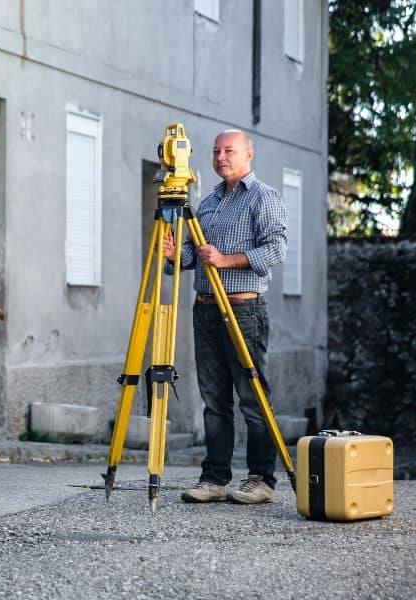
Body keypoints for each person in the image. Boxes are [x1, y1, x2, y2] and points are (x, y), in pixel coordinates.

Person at [162, 129, 287, 504]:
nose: (220, 158)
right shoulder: (209, 201)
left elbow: (277, 248)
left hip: (243, 309)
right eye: (216, 151)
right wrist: (174, 256)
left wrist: (226, 260)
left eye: (229, 151)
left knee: (252, 397)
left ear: (249, 154)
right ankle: (215, 478)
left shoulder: (264, 197)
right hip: (205, 308)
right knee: (214, 400)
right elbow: (194, 257)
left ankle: (261, 479)